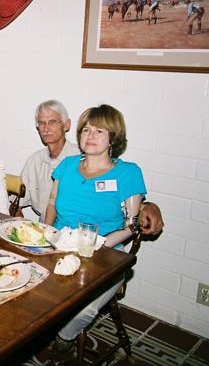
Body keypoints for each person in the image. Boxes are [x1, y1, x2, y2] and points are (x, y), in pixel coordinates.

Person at [44, 104, 146, 360]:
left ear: (114, 138)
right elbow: (51, 202)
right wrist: (46, 232)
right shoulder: (67, 165)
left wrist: (96, 243)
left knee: (84, 309)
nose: (90, 136)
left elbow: (131, 225)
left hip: (104, 254)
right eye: (86, 130)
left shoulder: (128, 173)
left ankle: (63, 340)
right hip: (59, 245)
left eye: (99, 131)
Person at [20, 100, 164, 235]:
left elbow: (126, 206)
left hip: (100, 247)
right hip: (55, 237)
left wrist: (149, 206)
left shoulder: (95, 155)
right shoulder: (47, 162)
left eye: (52, 122)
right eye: (86, 130)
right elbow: (28, 202)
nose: (46, 128)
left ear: (66, 125)